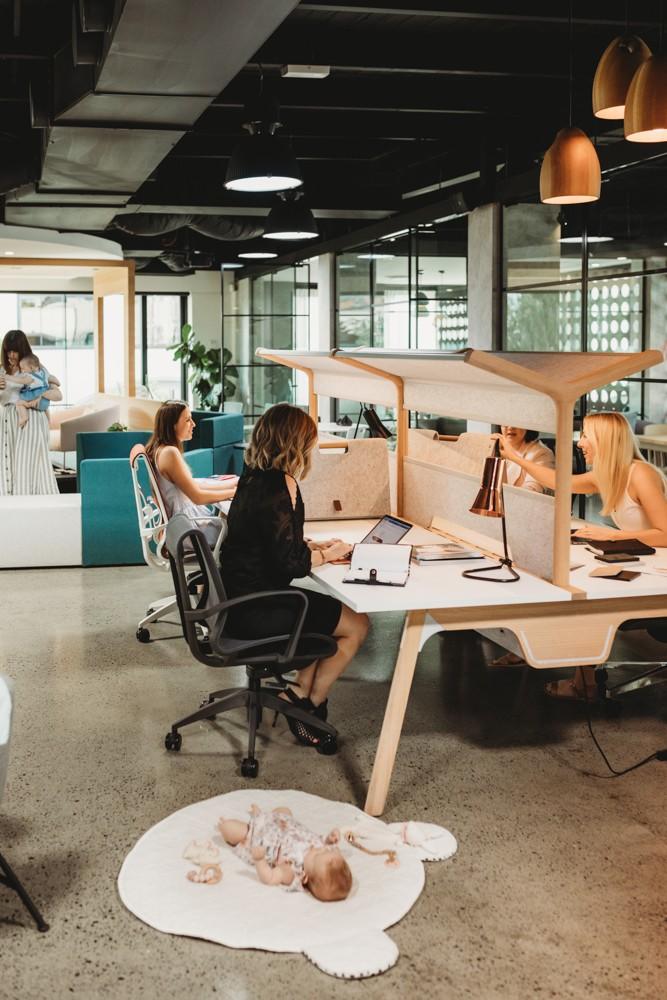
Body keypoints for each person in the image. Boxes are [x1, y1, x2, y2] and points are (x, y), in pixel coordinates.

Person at [220, 403, 369, 753]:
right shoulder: (282, 483)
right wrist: (329, 553)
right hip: (258, 608)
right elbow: (291, 565)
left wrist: (313, 546)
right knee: (357, 625)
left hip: (237, 600)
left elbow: (269, 542)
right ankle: (308, 703)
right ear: (296, 442)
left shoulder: (252, 476)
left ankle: (300, 691)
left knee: (328, 615)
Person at [499, 410, 667, 698]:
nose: (580, 442)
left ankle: (584, 683)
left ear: (605, 439)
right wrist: (515, 457)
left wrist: (612, 535)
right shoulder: (608, 475)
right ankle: (582, 679)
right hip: (650, 564)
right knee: (578, 584)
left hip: (659, 574)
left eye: (587, 435)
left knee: (587, 596)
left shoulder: (640, 474)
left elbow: (665, 533)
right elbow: (559, 481)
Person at [145, 400, 237, 547]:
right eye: (188, 420)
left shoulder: (161, 450)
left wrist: (233, 485)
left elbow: (194, 487)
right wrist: (234, 492)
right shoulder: (170, 453)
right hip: (190, 530)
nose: (193, 424)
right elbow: (198, 497)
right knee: (245, 527)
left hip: (184, 526)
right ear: (173, 425)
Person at [218, 804, 352, 902]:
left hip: (255, 835)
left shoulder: (293, 870)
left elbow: (270, 878)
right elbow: (325, 846)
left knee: (229, 828)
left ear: (305, 877)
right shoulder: (320, 849)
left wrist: (259, 860)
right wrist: (330, 839)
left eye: (318, 854)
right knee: (284, 809)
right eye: (328, 850)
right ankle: (262, 815)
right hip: (282, 822)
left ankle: (253, 820)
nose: (321, 848)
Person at [0, 330, 62, 495]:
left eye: (15, 351)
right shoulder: (2, 370)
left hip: (30, 418)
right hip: (7, 419)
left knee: (27, 464)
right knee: (9, 461)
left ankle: (29, 502)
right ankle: (10, 502)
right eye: (8, 351)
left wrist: (40, 396)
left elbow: (57, 394)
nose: (11, 355)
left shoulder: (34, 367)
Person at [500, 426, 554, 492]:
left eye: (517, 422)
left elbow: (531, 491)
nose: (510, 427)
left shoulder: (541, 453)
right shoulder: (496, 445)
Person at [6, 354, 51, 428]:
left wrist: (9, 377)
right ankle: (49, 421)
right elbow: (53, 379)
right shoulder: (43, 372)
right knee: (46, 408)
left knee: (19, 403)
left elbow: (21, 380)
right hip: (45, 402)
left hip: (35, 400)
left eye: (23, 368)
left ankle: (24, 417)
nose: (22, 371)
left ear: (31, 368)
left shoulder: (30, 377)